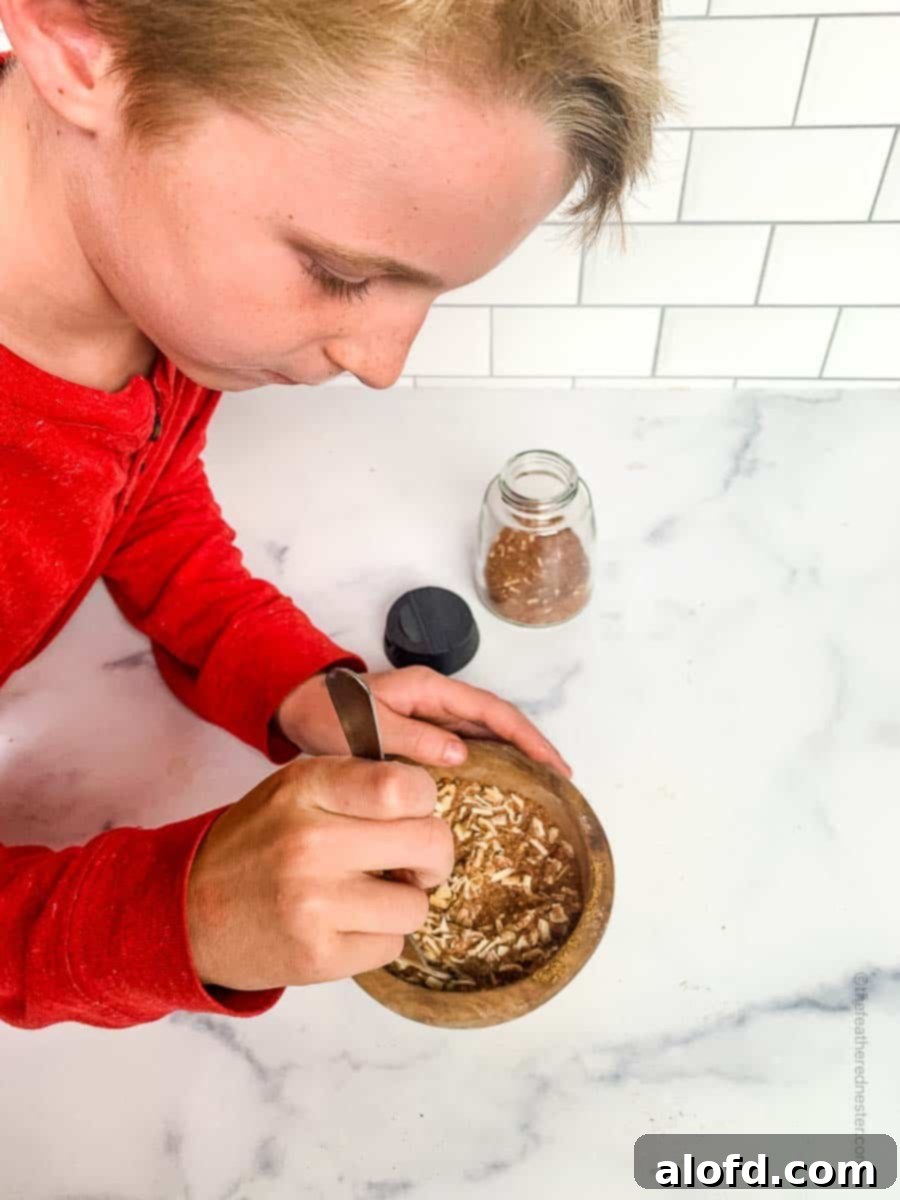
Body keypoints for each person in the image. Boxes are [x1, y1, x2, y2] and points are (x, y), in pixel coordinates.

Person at [0, 0, 665, 1029]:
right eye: (341, 274)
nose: (385, 366)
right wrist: (180, 915)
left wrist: (290, 682)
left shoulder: (138, 275)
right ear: (77, 39)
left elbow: (138, 491)